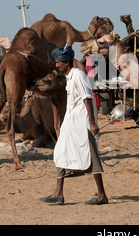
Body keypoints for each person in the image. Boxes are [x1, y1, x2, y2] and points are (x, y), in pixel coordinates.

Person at [40, 45, 108, 205]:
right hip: (71, 122)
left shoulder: (78, 75)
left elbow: (87, 98)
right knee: (60, 152)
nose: (56, 65)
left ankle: (101, 195)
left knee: (91, 155)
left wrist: (92, 123)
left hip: (82, 123)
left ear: (67, 62)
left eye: (58, 62)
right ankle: (58, 193)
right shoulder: (70, 77)